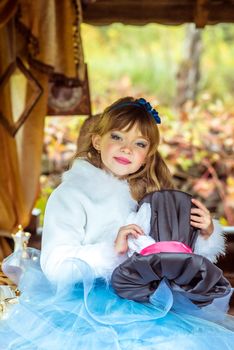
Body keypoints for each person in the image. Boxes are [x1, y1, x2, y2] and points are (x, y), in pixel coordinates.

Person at [0, 97, 233, 350]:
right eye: (117, 137)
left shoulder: (150, 198)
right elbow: (55, 265)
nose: (127, 149)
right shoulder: (72, 194)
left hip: (151, 303)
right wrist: (113, 250)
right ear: (97, 141)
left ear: (146, 156)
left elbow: (171, 257)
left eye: (139, 143)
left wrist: (204, 234)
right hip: (88, 308)